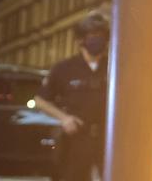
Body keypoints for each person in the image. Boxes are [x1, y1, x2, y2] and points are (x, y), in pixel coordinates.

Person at [35, 12, 111, 181]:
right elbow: (40, 100)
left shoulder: (114, 67)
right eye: (92, 35)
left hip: (107, 137)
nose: (97, 40)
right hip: (77, 138)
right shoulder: (64, 68)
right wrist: (64, 118)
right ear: (81, 39)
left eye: (101, 36)